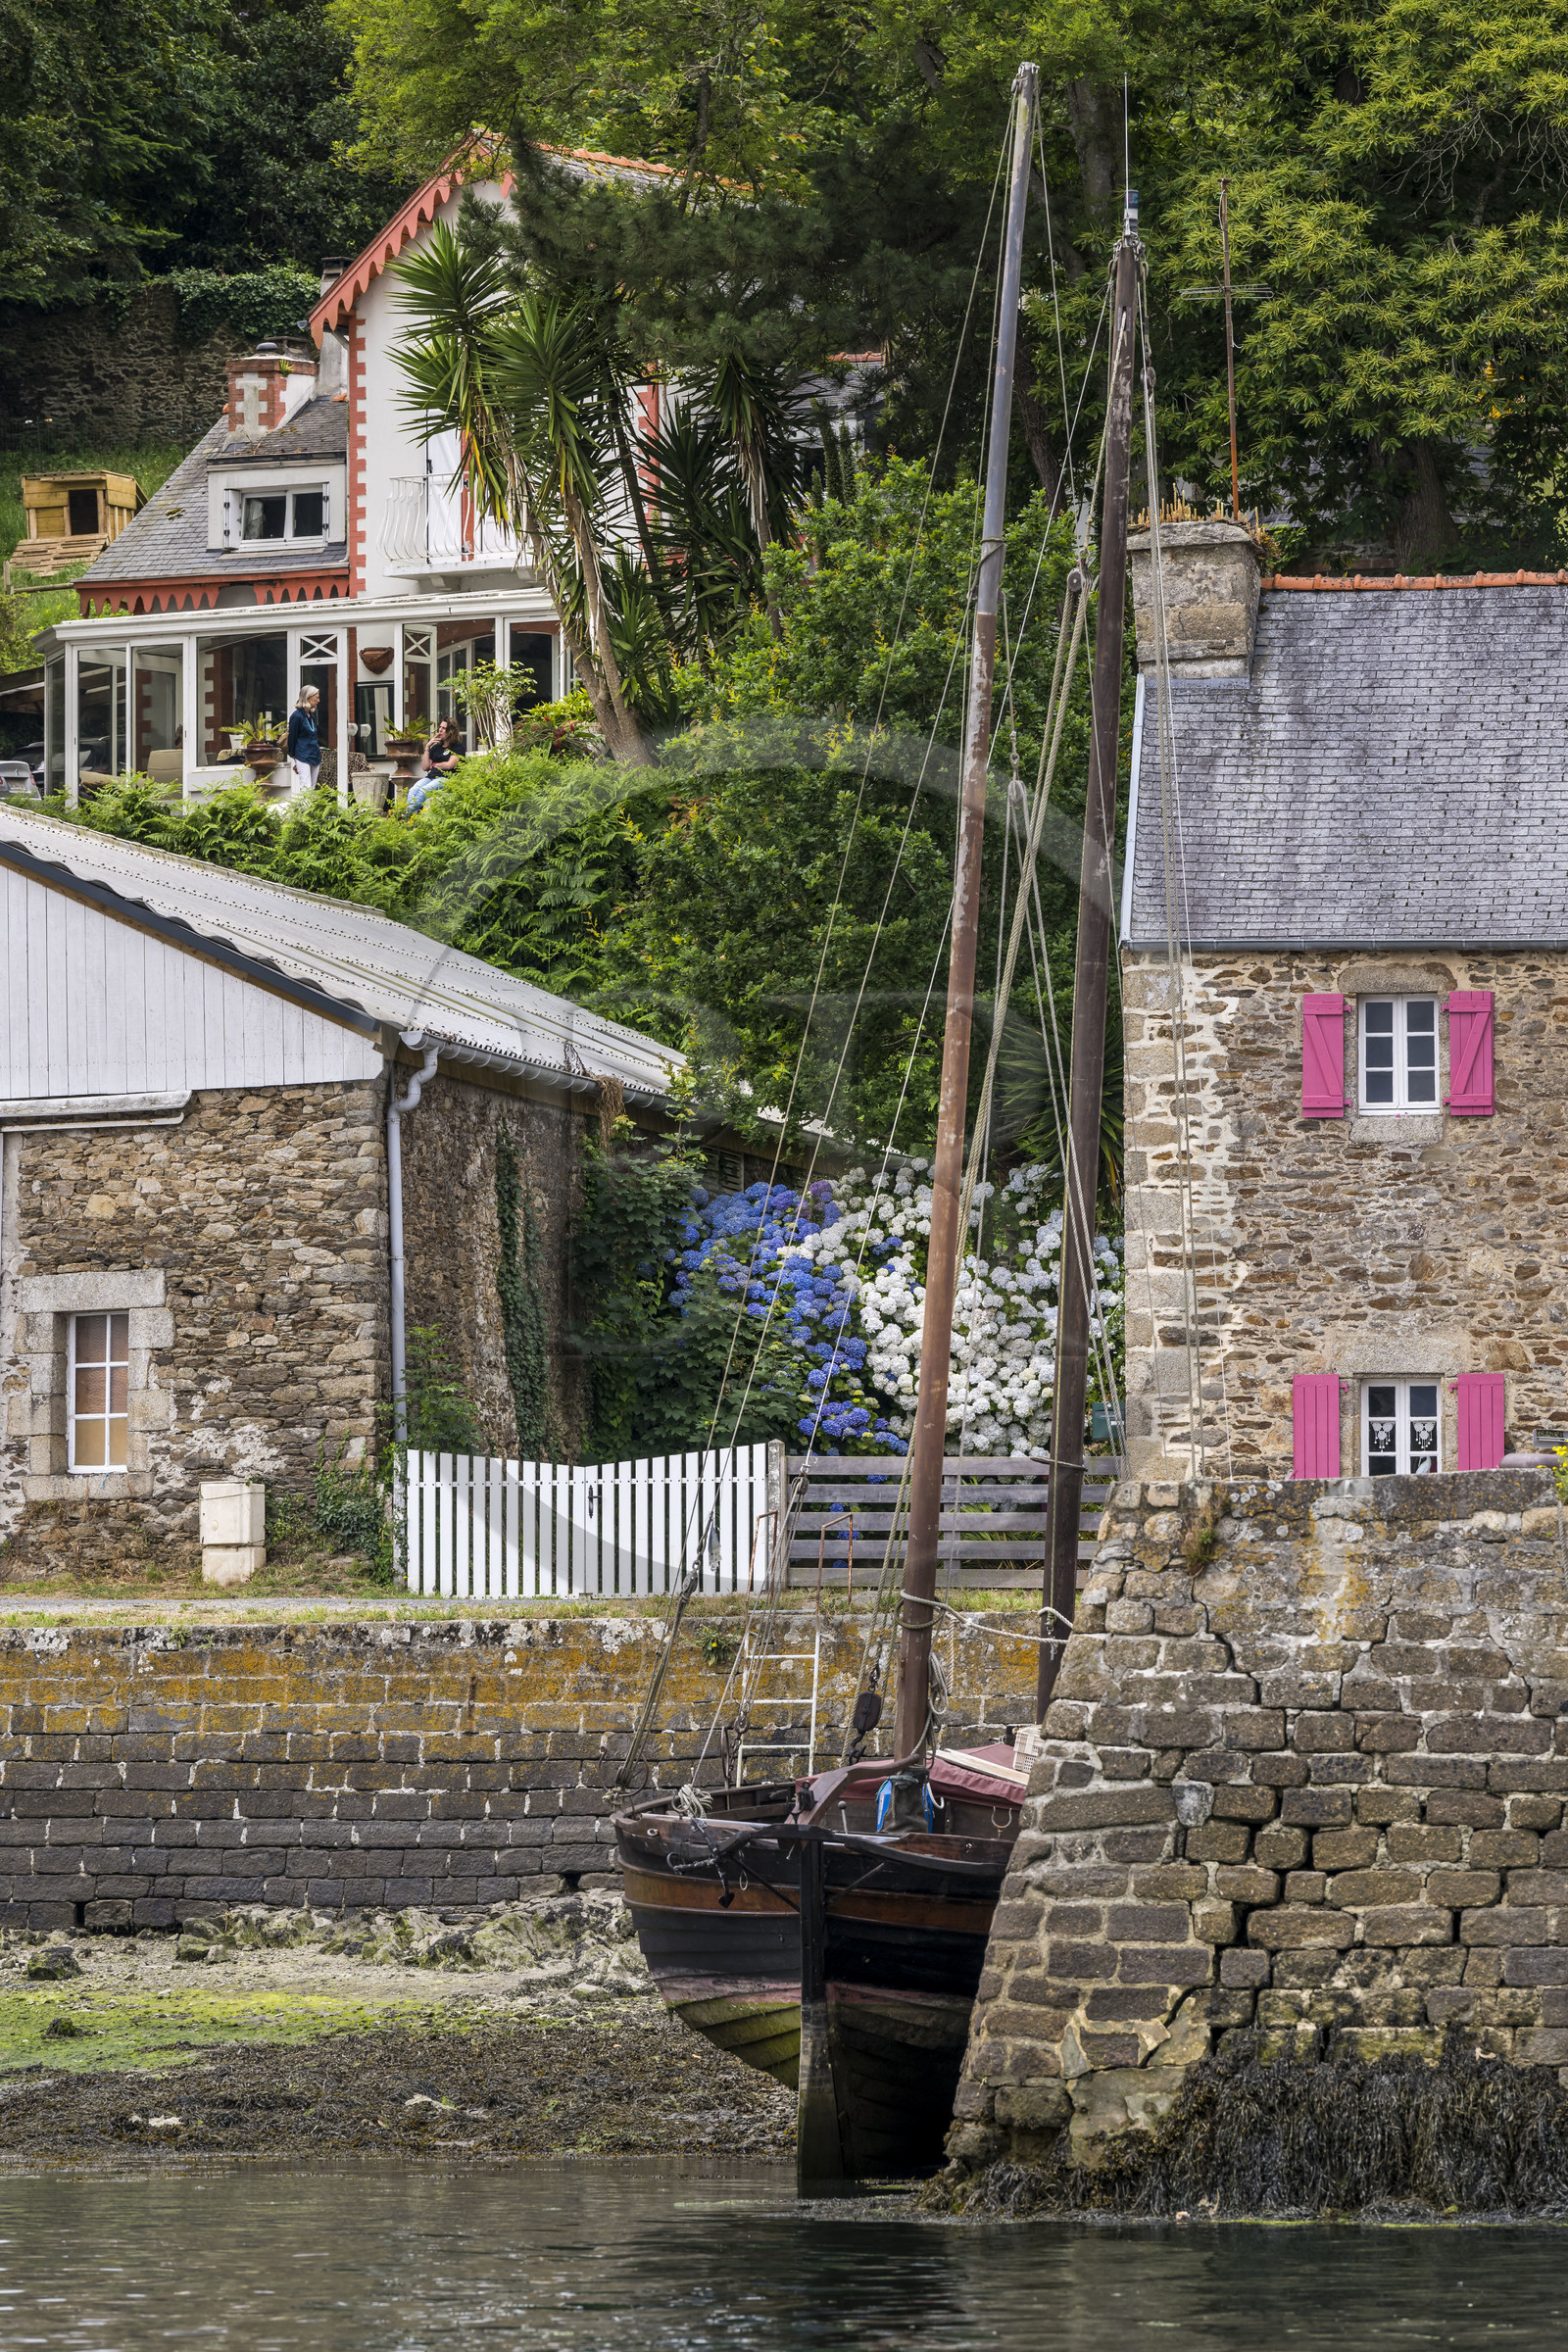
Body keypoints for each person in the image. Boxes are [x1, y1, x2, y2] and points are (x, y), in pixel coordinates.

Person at [407, 716, 461, 813]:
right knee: (413, 790)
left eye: (444, 728)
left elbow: (449, 765)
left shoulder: (457, 747)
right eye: (440, 727)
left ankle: (405, 815)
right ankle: (411, 817)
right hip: (431, 777)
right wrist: (428, 746)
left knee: (424, 791)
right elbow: (425, 767)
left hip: (446, 778)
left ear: (451, 731)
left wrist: (435, 764)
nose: (440, 730)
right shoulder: (436, 747)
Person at [286, 687, 321, 791]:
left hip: (315, 756)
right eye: (316, 698)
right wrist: (295, 758)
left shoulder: (311, 716)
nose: (318, 700)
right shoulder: (296, 716)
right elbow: (292, 739)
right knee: (306, 787)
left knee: (312, 788)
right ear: (308, 698)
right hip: (302, 755)